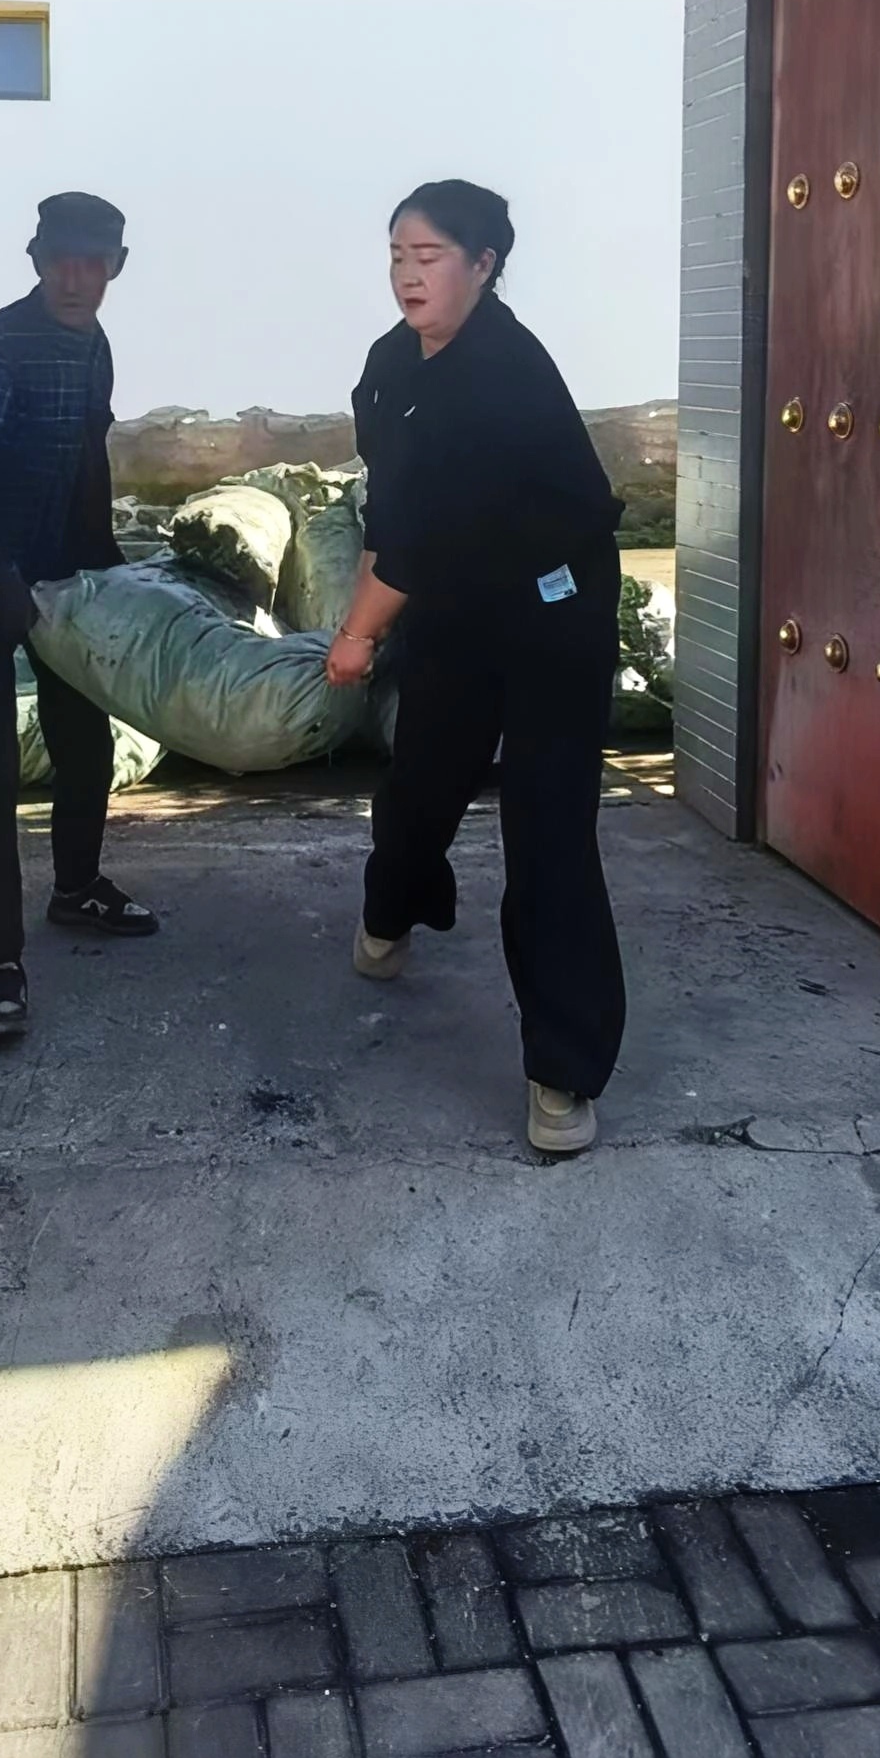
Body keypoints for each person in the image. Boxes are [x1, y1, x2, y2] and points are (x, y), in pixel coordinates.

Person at [325, 180, 626, 1154]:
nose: (408, 275)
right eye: (397, 255)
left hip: (552, 606)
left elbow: (414, 544)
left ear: (485, 265)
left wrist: (357, 638)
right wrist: (366, 617)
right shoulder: (389, 365)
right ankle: (392, 907)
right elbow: (390, 516)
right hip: (454, 600)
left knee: (549, 829)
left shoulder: (500, 373)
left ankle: (562, 1072)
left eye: (430, 257)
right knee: (421, 781)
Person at [0, 192, 156, 1037]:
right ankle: (0, 966)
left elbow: (86, 455)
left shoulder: (95, 346)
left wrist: (100, 567)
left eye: (94, 264)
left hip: (56, 576)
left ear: (116, 267)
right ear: (36, 261)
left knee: (85, 742)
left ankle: (77, 888)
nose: (76, 279)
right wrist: (0, 575)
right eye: (60, 262)